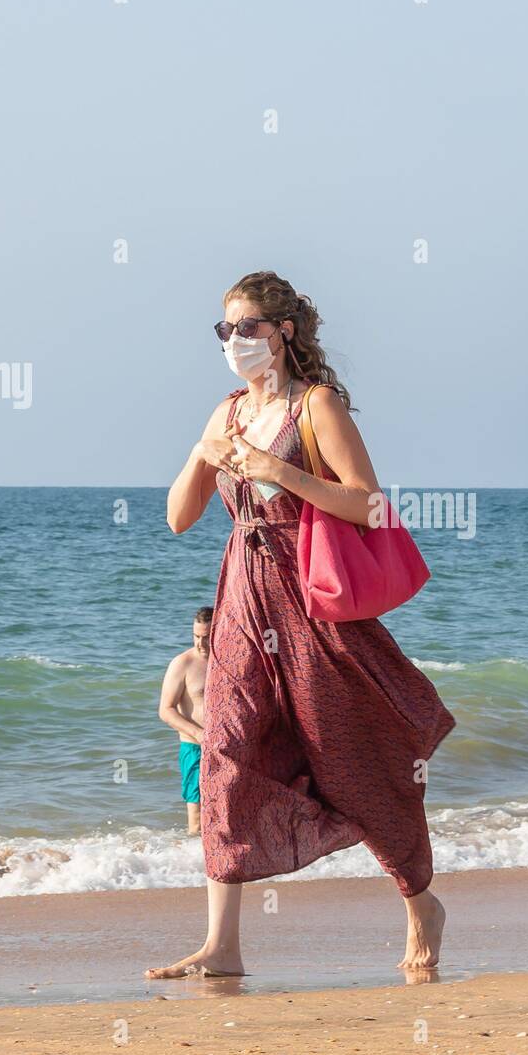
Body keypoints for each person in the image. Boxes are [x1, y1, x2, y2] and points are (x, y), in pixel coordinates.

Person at [146, 271, 455, 980]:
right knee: (225, 753)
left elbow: (369, 506)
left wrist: (276, 471)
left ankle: (420, 902)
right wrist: (203, 453)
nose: (236, 342)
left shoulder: (316, 408)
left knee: (355, 760)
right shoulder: (224, 414)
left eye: (249, 327)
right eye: (225, 330)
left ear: (285, 332)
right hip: (242, 605)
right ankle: (222, 945)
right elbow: (177, 517)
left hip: (312, 604)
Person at [158, 608, 213, 835]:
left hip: (227, 748)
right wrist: (199, 733)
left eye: (207, 637)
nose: (201, 643)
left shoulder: (229, 662)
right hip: (195, 747)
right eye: (196, 636)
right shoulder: (183, 664)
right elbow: (165, 710)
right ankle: (194, 867)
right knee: (198, 819)